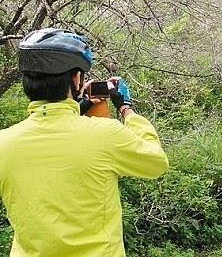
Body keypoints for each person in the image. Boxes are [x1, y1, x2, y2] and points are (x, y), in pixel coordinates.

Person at [0, 28, 169, 256]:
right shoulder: (105, 135)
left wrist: (81, 108)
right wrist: (126, 109)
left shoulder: (4, 143)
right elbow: (156, 162)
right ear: (77, 79)